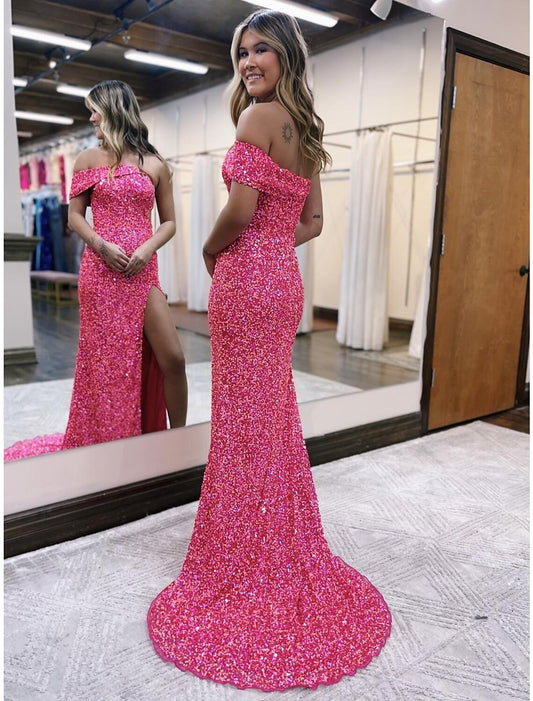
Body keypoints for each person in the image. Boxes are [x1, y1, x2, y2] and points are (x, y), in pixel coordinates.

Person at [147, 10, 391, 691]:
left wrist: (212, 250)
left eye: (260, 49)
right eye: (241, 52)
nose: (248, 61)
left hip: (246, 281)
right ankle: (274, 539)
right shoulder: (306, 132)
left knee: (242, 419)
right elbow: (311, 222)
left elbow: (240, 210)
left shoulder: (256, 118)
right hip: (282, 281)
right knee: (270, 415)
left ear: (286, 56)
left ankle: (242, 552)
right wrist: (271, 251)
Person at [4, 81, 187, 461]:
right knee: (106, 365)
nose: (90, 118)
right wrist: (102, 246)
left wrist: (146, 249)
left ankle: (177, 444)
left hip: (142, 271)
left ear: (114, 109)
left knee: (173, 358)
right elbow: (74, 217)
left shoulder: (155, 164)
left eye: (94, 110)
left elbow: (169, 222)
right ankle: (112, 443)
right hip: (101, 273)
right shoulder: (88, 159)